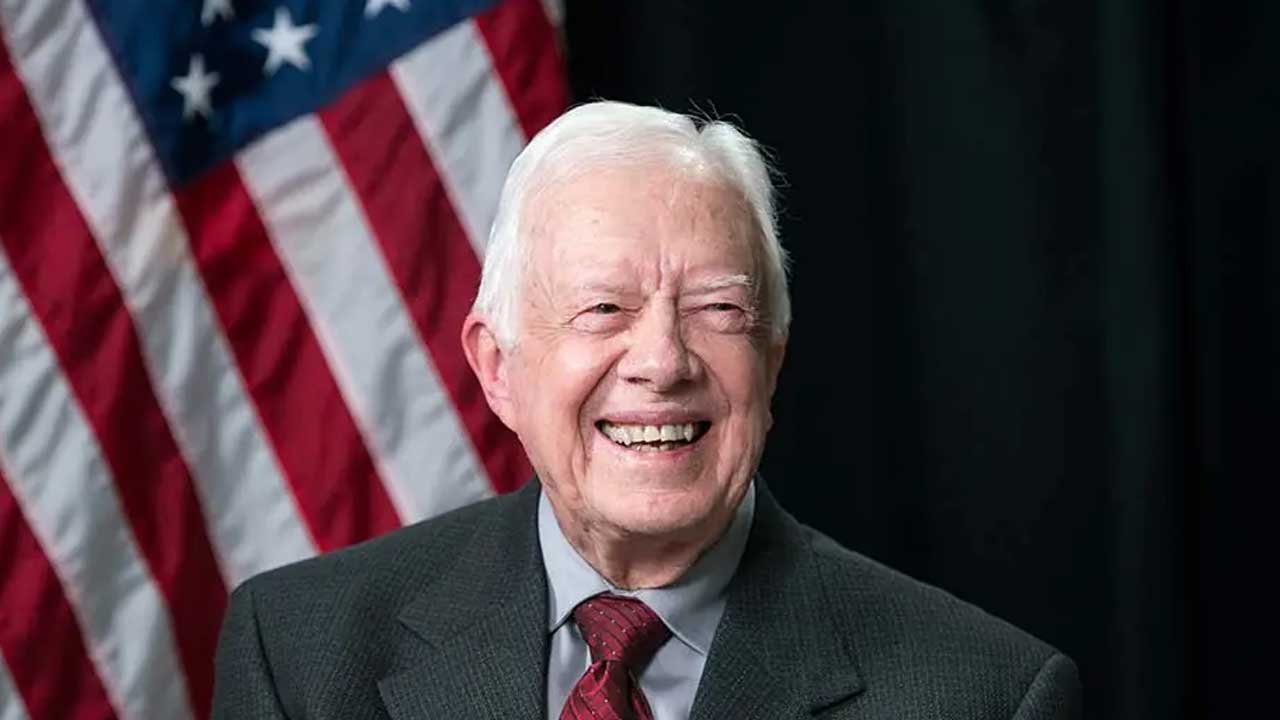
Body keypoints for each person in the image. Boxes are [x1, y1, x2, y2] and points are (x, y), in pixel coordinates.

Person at [212, 101, 1080, 719]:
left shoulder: (985, 695)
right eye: (604, 310)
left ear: (770, 364)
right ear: (497, 368)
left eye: (718, 310)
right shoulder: (299, 655)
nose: (663, 362)